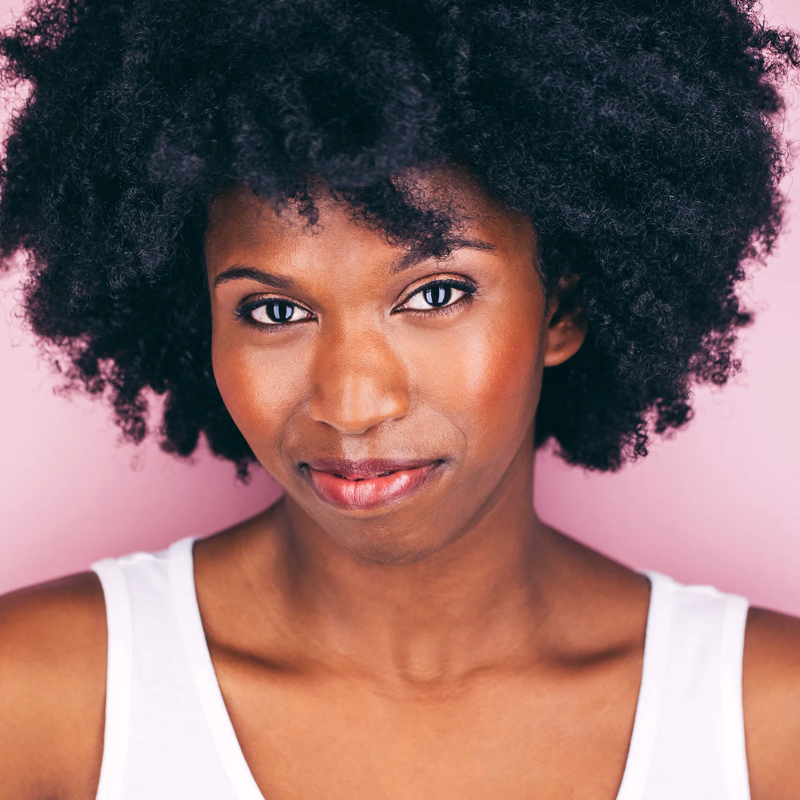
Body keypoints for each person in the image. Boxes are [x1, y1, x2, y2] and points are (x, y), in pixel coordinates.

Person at [0, 0, 798, 797]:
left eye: (436, 294)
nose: (352, 406)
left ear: (560, 311)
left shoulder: (768, 724)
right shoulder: (43, 702)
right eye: (274, 311)